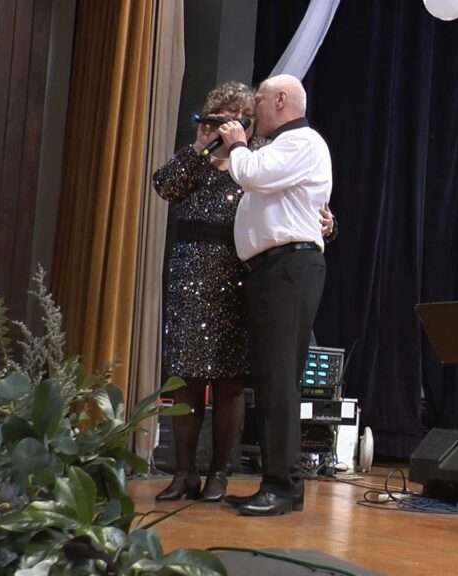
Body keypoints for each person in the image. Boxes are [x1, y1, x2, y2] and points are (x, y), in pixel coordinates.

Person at [152, 81, 334, 504]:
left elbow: (292, 203)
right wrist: (201, 146)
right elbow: (165, 185)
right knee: (200, 379)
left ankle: (245, 478)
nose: (232, 125)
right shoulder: (221, 161)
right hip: (205, 277)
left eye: (243, 117)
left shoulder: (266, 154)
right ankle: (187, 472)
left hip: (245, 278)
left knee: (253, 381)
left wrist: (326, 223)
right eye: (221, 119)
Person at [217, 74, 330, 516]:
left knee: (279, 379)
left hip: (288, 269)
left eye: (260, 100)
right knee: (270, 379)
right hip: (274, 270)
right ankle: (280, 482)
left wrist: (237, 144)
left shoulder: (302, 141)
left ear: (281, 99)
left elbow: (251, 174)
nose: (254, 109)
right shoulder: (284, 147)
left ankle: (282, 486)